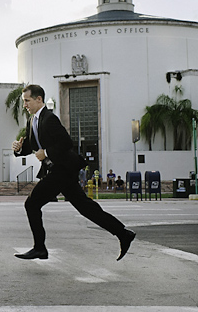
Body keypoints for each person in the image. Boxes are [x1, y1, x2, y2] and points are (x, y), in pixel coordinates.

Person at [11, 84, 135, 261]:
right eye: (24, 101)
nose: (25, 105)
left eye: (27, 101)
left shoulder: (49, 118)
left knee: (32, 204)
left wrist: (45, 153)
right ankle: (123, 234)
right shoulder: (32, 121)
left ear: (39, 99)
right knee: (85, 207)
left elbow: (66, 143)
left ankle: (40, 248)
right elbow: (32, 147)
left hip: (62, 170)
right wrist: (19, 149)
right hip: (59, 171)